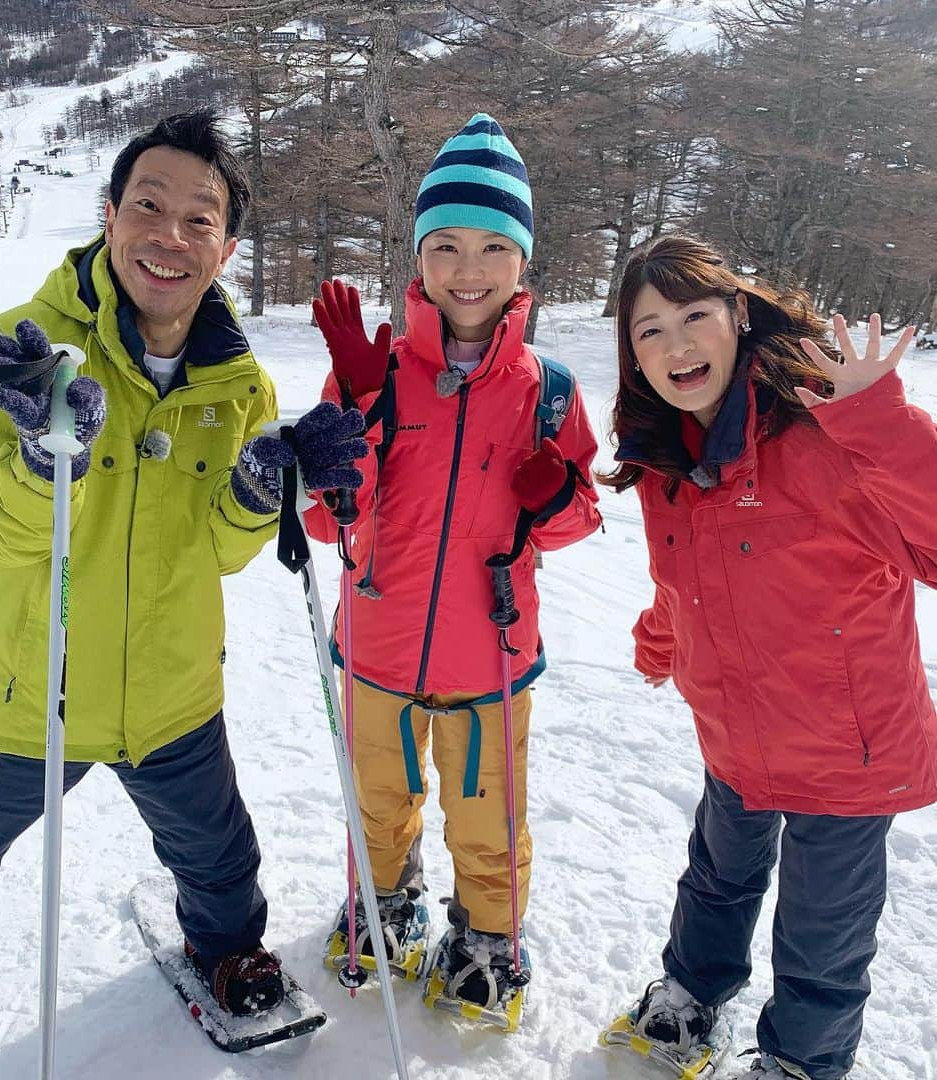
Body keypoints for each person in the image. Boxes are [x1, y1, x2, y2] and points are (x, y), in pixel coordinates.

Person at [0, 108, 365, 1043]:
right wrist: (49, 464)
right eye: (149, 204)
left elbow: (217, 546)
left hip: (172, 686)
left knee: (218, 856)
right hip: (31, 687)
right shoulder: (18, 350)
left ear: (227, 246)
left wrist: (259, 490)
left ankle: (226, 949)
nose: (170, 236)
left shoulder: (236, 381)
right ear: (110, 213)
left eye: (200, 218)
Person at [600, 234, 937, 1079]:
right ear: (632, 355)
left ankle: (801, 1062)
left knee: (822, 934)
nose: (676, 345)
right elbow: (684, 579)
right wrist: (659, 639)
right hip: (738, 736)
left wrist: (876, 417)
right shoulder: (666, 462)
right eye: (649, 331)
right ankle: (690, 992)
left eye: (694, 316)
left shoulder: (827, 433)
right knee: (715, 880)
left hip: (847, 752)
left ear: (737, 316)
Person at [305, 114, 602, 1011]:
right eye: (445, 246)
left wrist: (553, 494)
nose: (467, 269)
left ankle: (487, 940)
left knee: (488, 818)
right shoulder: (376, 370)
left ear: (522, 264)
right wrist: (355, 405)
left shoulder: (549, 391)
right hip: (380, 645)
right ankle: (384, 905)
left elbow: (577, 521)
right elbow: (328, 519)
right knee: (378, 799)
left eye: (491, 247)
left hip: (492, 658)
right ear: (418, 255)